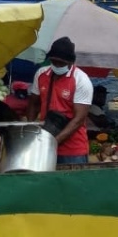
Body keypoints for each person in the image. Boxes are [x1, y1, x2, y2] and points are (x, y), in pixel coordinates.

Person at [27, 37, 93, 166]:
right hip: (45, 142)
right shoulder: (41, 74)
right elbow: (33, 104)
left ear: (70, 62)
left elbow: (79, 119)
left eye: (61, 63)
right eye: (54, 61)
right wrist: (30, 129)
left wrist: (53, 142)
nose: (57, 65)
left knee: (72, 185)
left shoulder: (81, 80)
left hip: (72, 150)